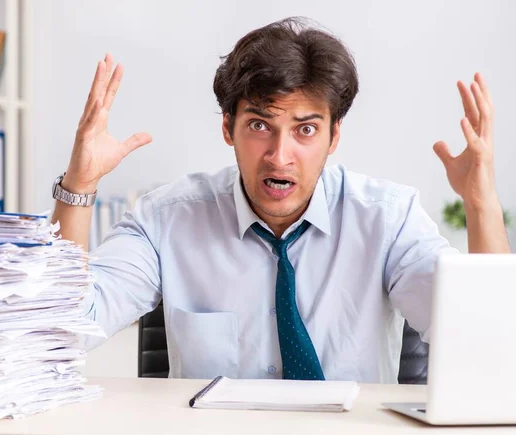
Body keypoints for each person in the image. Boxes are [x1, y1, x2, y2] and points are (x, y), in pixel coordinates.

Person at [51, 17, 510, 383]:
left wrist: (480, 203)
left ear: (334, 137)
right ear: (227, 127)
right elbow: (64, 332)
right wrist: (79, 186)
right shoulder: (165, 219)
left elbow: (489, 340)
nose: (279, 155)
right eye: (259, 125)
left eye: (305, 129)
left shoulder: (388, 220)